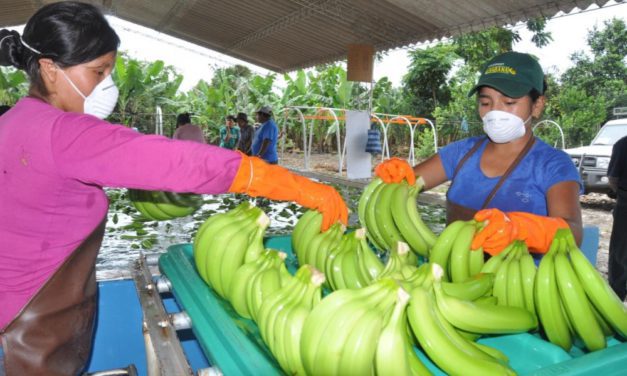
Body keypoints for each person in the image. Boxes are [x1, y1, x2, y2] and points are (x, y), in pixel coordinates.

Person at [0, 3, 347, 375]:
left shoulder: (14, 120)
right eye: (97, 72)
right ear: (51, 69)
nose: (107, 86)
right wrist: (296, 186)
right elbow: (182, 163)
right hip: (36, 317)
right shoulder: (65, 133)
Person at [375, 51, 583, 256]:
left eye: (509, 102)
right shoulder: (461, 153)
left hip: (523, 283)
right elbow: (406, 185)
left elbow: (573, 232)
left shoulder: (553, 164)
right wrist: (397, 176)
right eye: (485, 103)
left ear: (537, 106)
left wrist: (520, 229)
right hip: (455, 275)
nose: (495, 111)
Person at [608, 135, 627, 301]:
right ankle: (617, 295)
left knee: (620, 251)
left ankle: (617, 294)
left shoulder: (622, 143)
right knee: (620, 251)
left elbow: (613, 179)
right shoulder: (623, 144)